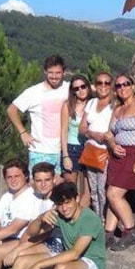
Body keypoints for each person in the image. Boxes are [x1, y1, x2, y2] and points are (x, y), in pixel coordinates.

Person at [103, 74, 135, 250]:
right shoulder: (117, 109)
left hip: (134, 154)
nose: (122, 88)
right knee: (113, 195)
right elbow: (109, 133)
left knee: (113, 194)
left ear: (133, 86)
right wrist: (112, 143)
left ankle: (130, 231)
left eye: (126, 84)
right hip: (118, 156)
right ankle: (108, 233)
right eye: (118, 86)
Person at [7, 55, 69, 175]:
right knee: (39, 188)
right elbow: (11, 110)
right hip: (40, 151)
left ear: (64, 72)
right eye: (51, 72)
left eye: (58, 72)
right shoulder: (33, 92)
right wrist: (23, 132)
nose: (54, 76)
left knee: (58, 190)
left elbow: (88, 89)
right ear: (45, 71)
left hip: (62, 151)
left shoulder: (67, 88)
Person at [79, 71, 114, 221]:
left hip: (106, 151)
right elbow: (82, 128)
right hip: (91, 150)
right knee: (93, 190)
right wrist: (93, 134)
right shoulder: (91, 103)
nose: (103, 86)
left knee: (103, 189)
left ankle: (106, 221)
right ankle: (98, 218)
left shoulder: (114, 105)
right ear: (95, 85)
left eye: (107, 83)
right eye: (100, 83)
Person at [61, 74, 91, 204]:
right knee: (70, 188)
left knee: (87, 190)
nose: (80, 90)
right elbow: (63, 132)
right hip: (72, 148)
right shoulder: (68, 106)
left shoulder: (94, 104)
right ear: (72, 91)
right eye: (76, 88)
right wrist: (65, 155)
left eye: (83, 86)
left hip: (90, 149)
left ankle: (82, 218)